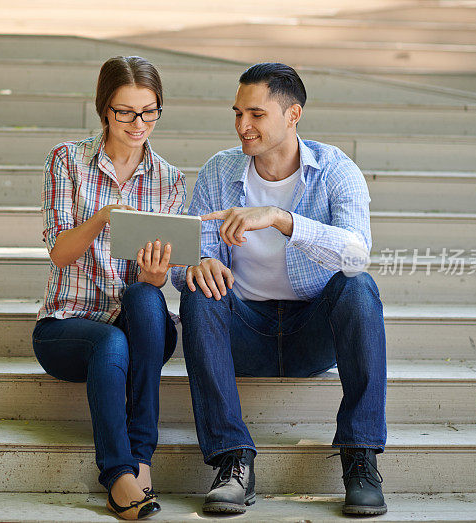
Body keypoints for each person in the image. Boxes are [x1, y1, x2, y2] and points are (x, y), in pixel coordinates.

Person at [171, 62, 388, 516]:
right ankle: (232, 459)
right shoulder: (219, 171)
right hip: (244, 332)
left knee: (360, 288)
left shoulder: (334, 169)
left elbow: (356, 254)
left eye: (256, 114)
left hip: (313, 333)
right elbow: (182, 265)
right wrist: (199, 262)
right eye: (237, 113)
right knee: (197, 290)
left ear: (293, 115)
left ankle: (360, 456)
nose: (242, 126)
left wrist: (281, 219)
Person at [32, 55, 185, 520]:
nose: (139, 123)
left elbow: (152, 283)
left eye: (149, 110)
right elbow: (59, 253)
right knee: (111, 342)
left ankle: (141, 459)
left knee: (144, 297)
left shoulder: (169, 180)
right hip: (67, 327)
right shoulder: (67, 161)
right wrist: (102, 217)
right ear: (104, 109)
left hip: (137, 325)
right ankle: (121, 473)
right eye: (125, 111)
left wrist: (156, 275)